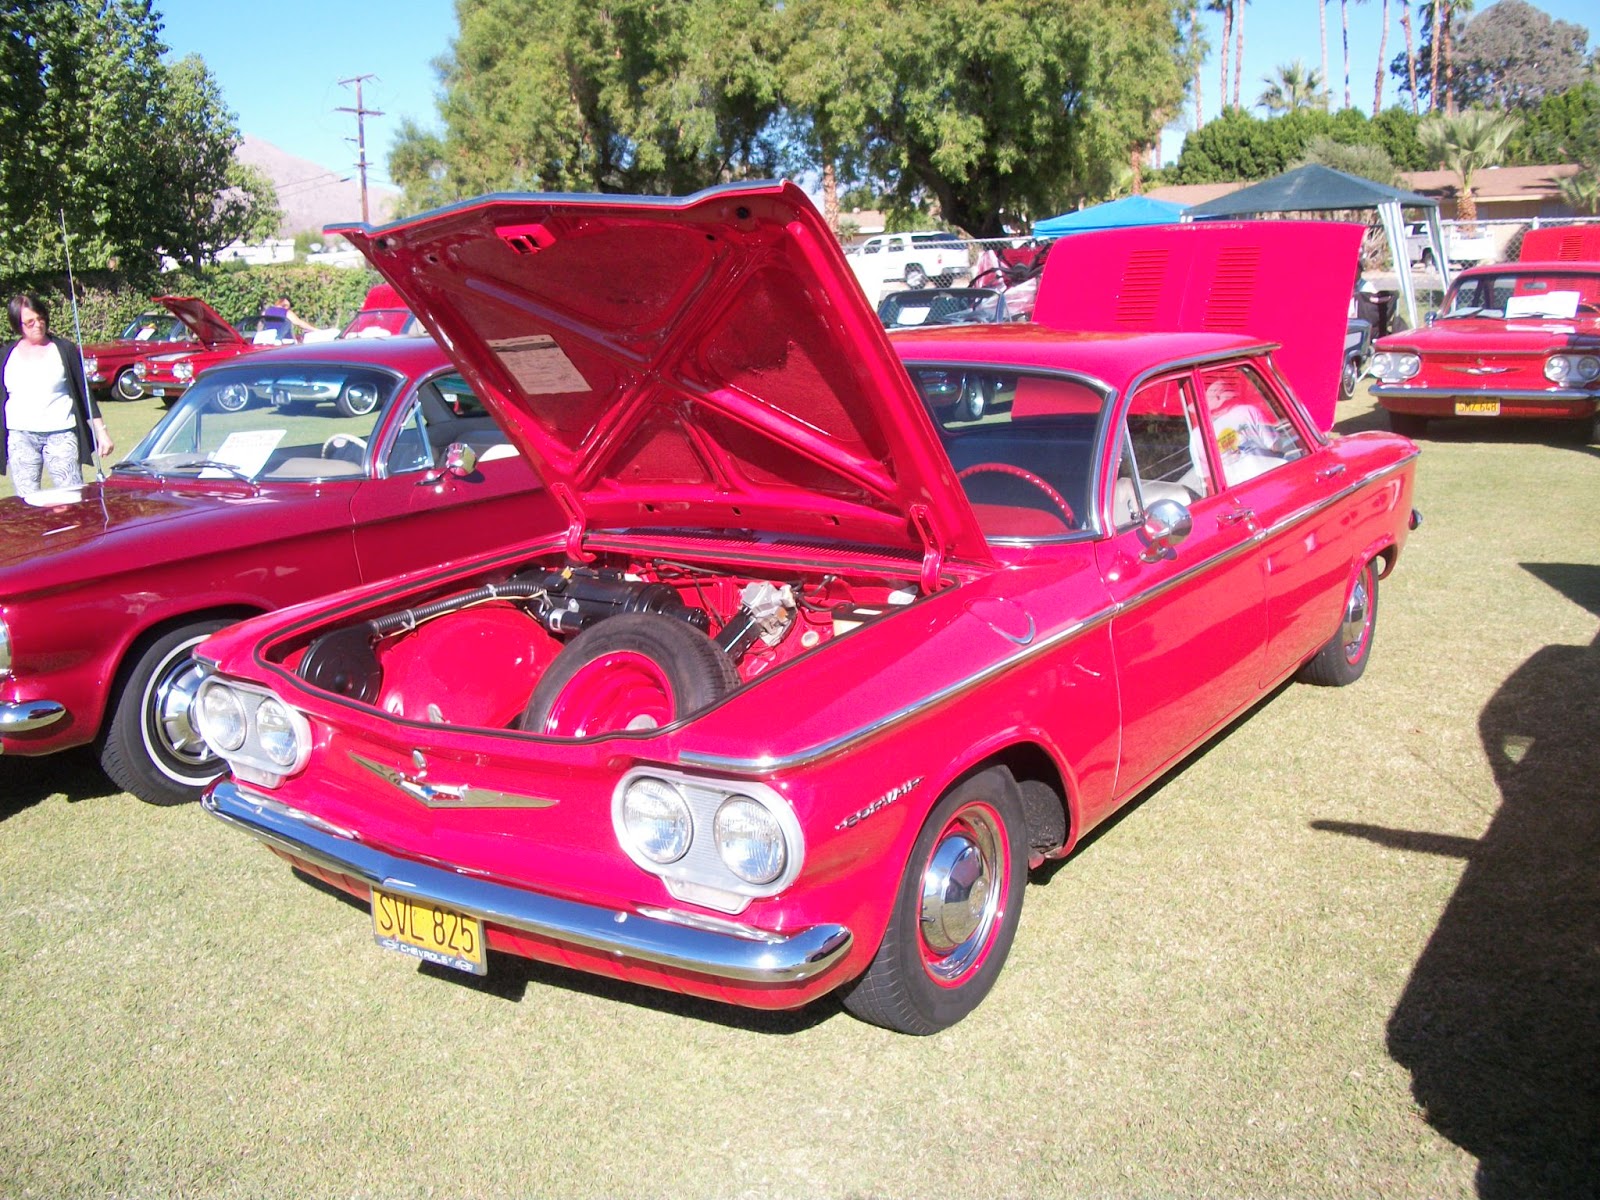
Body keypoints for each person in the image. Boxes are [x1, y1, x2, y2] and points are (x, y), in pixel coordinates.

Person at [1, 293, 113, 496]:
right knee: (27, 501)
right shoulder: (7, 354)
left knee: (71, 495)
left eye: (41, 318)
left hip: (61, 434)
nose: (38, 325)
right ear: (18, 325)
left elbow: (84, 393)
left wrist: (102, 432)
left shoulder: (64, 349)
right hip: (20, 436)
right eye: (30, 322)